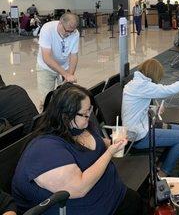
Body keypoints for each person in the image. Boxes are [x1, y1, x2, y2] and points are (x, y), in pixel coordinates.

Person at [12, 84, 144, 215]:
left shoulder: (80, 127)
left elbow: (96, 145)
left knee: (137, 201)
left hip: (114, 196)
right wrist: (109, 153)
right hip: (91, 208)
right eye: (85, 113)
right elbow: (79, 188)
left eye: (90, 110)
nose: (89, 115)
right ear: (65, 116)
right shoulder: (45, 149)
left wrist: (112, 143)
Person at [122, 59, 179, 176]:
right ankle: (164, 172)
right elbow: (169, 89)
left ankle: (160, 163)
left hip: (138, 129)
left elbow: (136, 108)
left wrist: (155, 109)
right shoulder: (143, 86)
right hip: (138, 137)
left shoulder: (135, 83)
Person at [36, 13, 80, 103]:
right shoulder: (47, 29)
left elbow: (74, 56)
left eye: (72, 31)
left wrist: (69, 76)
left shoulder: (75, 33)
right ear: (60, 23)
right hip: (46, 68)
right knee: (46, 100)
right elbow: (46, 57)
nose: (69, 34)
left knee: (65, 99)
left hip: (64, 67)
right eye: (67, 30)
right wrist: (66, 75)